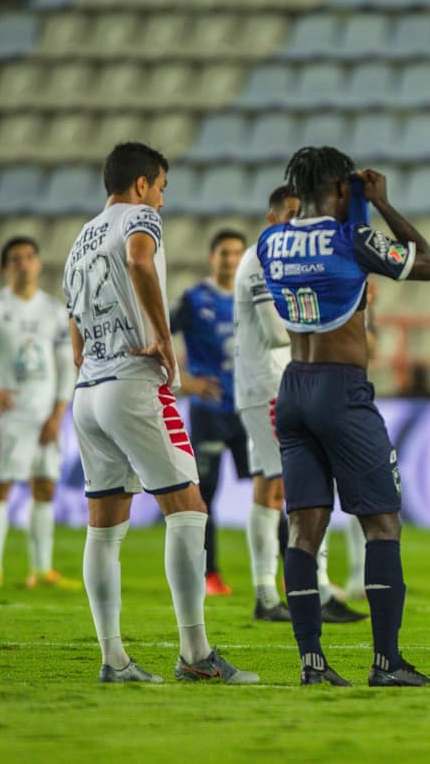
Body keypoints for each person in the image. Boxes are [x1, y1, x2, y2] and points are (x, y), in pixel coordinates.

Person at [63, 141, 256, 683]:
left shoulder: (79, 239)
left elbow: (73, 329)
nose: (163, 202)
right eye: (162, 188)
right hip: (133, 382)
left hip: (88, 393)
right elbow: (140, 259)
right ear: (143, 184)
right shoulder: (139, 217)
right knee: (188, 508)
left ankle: (114, 659)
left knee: (103, 528)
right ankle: (195, 655)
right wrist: (163, 341)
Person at [258, 146, 430, 687]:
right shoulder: (353, 238)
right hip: (342, 391)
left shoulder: (271, 241)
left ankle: (311, 663)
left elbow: (316, 251)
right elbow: (428, 264)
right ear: (343, 190)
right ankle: (386, 662)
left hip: (293, 390)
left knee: (303, 529)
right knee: (382, 524)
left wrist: (347, 206)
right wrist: (379, 204)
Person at [233, 185, 367, 624]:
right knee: (300, 487)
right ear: (272, 217)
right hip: (270, 383)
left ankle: (269, 593)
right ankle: (309, 590)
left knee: (270, 487)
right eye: (289, 214)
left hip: (277, 382)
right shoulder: (259, 259)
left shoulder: (281, 257)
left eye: (301, 213)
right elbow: (275, 332)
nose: (295, 222)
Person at [0, 237, 78, 590]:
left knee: (45, 488)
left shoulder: (52, 310)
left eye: (30, 257)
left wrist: (58, 412)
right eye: (15, 259)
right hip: (9, 415)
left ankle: (42, 571)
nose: (24, 264)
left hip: (46, 414)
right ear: (5, 268)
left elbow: (66, 364)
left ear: (38, 263)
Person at [170, 229, 249, 596]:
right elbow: (157, 335)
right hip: (209, 411)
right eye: (224, 253)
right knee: (206, 495)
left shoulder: (253, 296)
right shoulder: (194, 299)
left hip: (249, 409)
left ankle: (284, 572)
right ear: (211, 257)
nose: (230, 260)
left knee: (274, 490)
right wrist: (183, 380)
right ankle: (211, 574)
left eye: (236, 253)